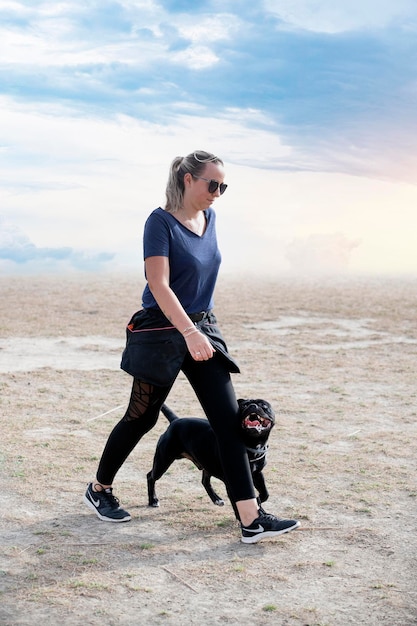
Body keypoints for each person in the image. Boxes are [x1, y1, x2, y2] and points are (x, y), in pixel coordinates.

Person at [83, 149, 300, 543]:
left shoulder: (210, 218)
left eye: (223, 186)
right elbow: (159, 285)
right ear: (187, 179)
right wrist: (189, 332)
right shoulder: (159, 222)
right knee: (142, 418)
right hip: (163, 335)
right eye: (212, 184)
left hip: (202, 330)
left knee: (229, 424)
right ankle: (99, 489)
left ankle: (251, 519)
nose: (218, 192)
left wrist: (202, 329)